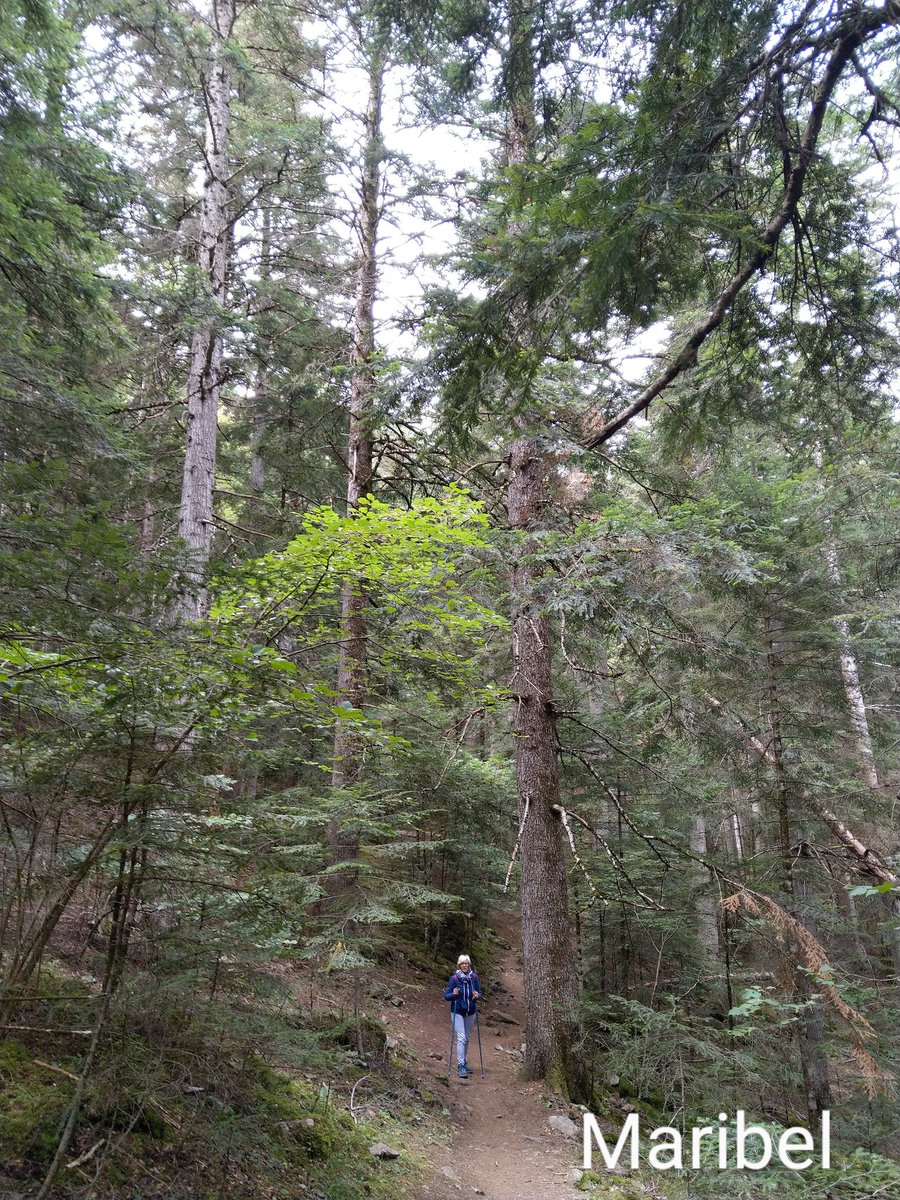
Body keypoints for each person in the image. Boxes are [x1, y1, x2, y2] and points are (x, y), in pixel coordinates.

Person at [444, 953, 482, 1078]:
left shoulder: (474, 978)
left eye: (466, 963)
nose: (465, 965)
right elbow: (446, 996)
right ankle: (460, 1065)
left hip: (470, 1011)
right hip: (457, 1011)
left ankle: (464, 1062)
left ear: (469, 964)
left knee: (467, 1038)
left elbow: (480, 993)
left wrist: (478, 996)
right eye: (462, 963)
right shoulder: (454, 979)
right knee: (461, 1037)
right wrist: (453, 993)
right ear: (459, 965)